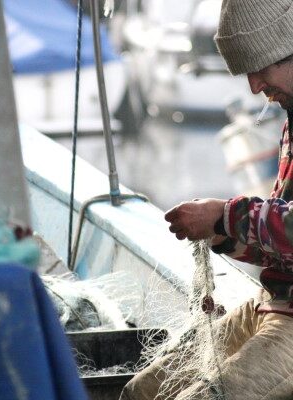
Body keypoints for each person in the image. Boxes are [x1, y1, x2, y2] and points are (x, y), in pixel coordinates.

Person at [120, 0, 293, 399]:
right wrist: (224, 238)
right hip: (271, 303)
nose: (254, 87)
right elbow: (282, 246)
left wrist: (224, 216)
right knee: (142, 392)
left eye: (260, 69)